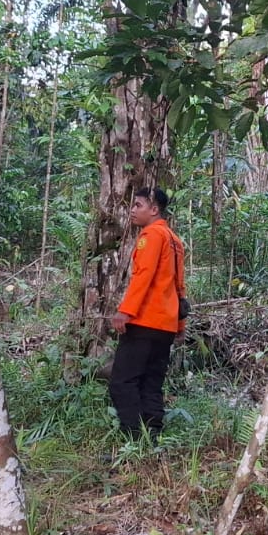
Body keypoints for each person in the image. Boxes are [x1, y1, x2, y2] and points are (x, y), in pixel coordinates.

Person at [109, 188, 186, 442]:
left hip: (145, 321)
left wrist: (125, 311)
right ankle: (153, 435)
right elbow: (179, 287)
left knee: (123, 382)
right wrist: (180, 324)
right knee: (151, 382)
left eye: (138, 205)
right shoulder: (174, 240)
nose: (133, 210)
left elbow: (144, 274)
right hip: (165, 325)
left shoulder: (152, 234)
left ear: (154, 210)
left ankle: (133, 438)